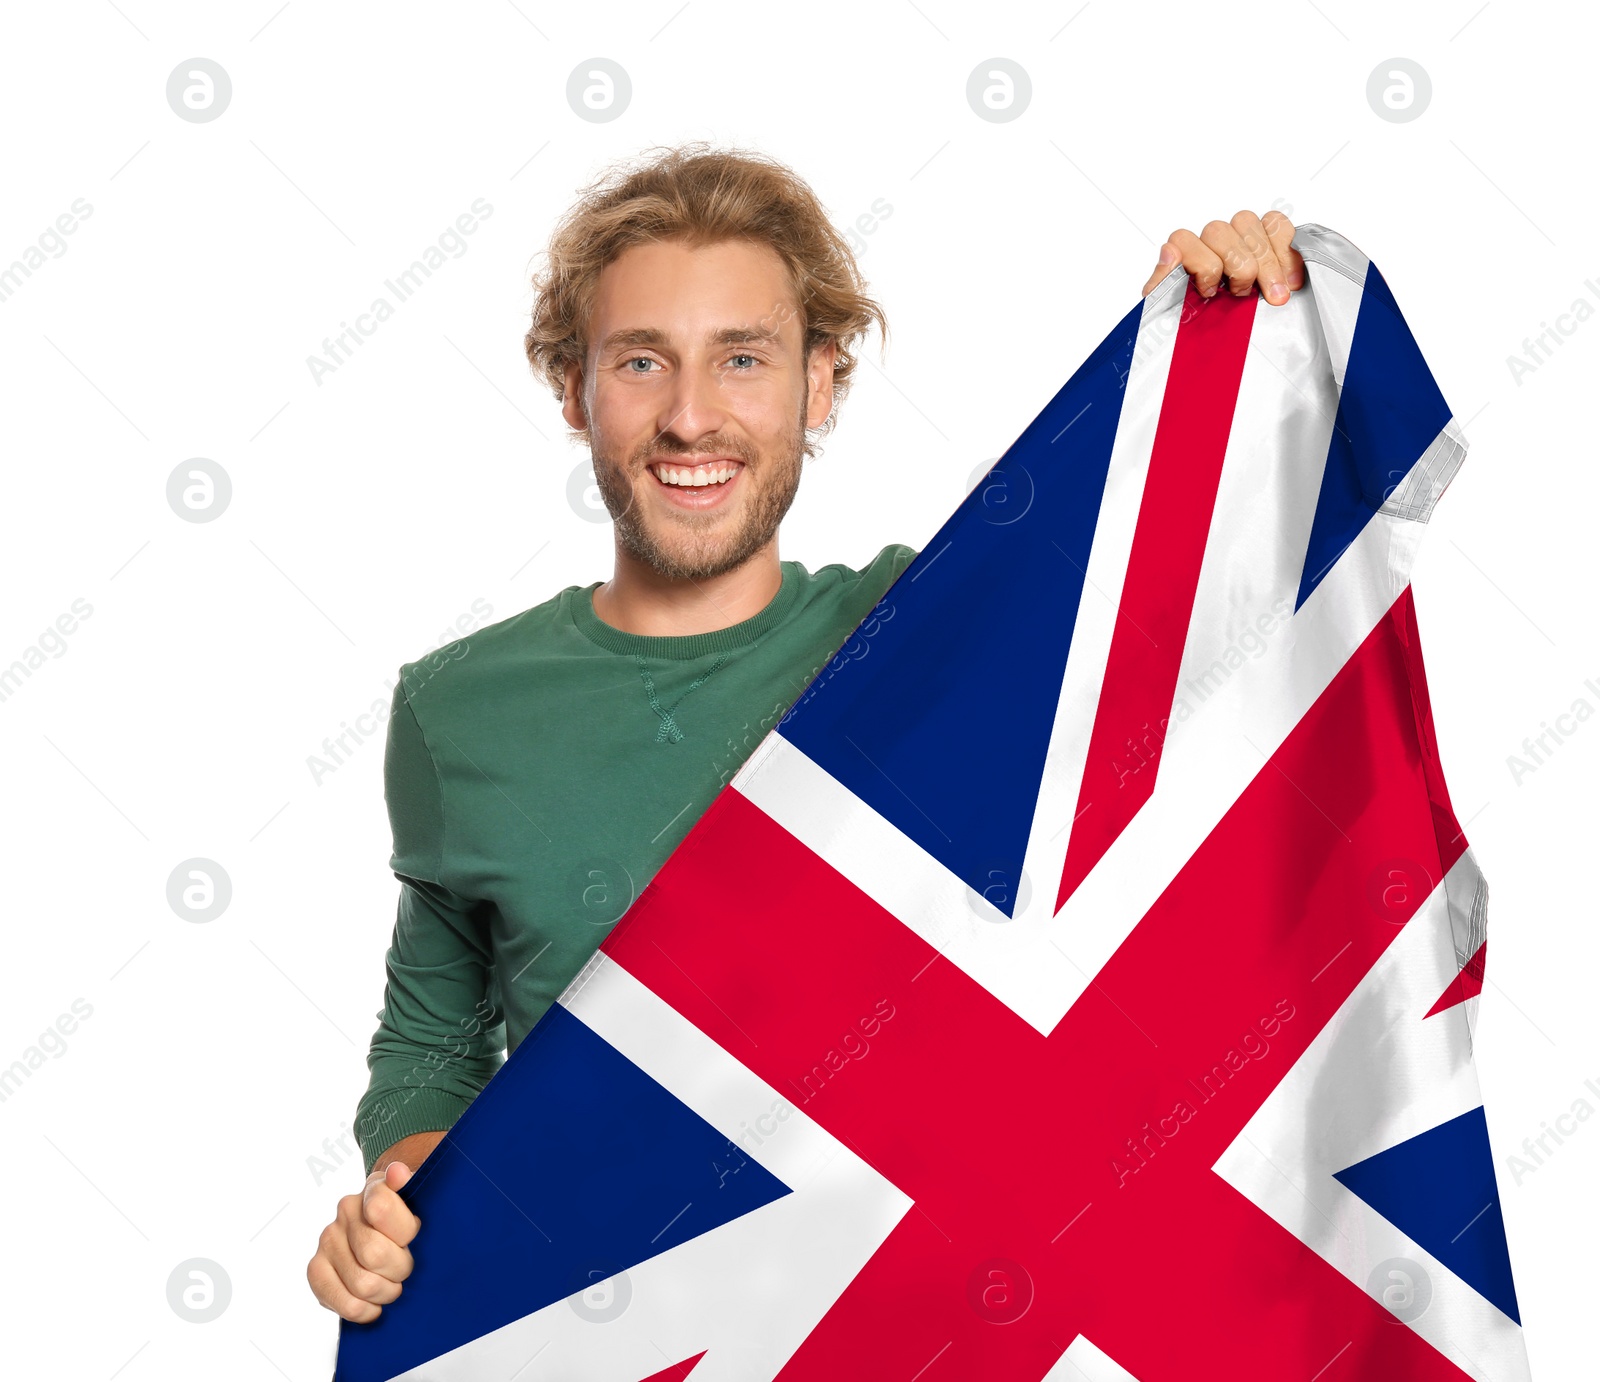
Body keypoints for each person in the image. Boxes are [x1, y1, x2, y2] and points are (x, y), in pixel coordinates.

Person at [306, 140, 1308, 1323]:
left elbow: (1195, 638)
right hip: (631, 1322)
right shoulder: (456, 708)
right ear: (573, 386)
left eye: (742, 358)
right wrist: (405, 1196)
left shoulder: (926, 634)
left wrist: (1214, 356)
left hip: (932, 1313)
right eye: (640, 360)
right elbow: (432, 1031)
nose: (690, 417)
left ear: (819, 384)